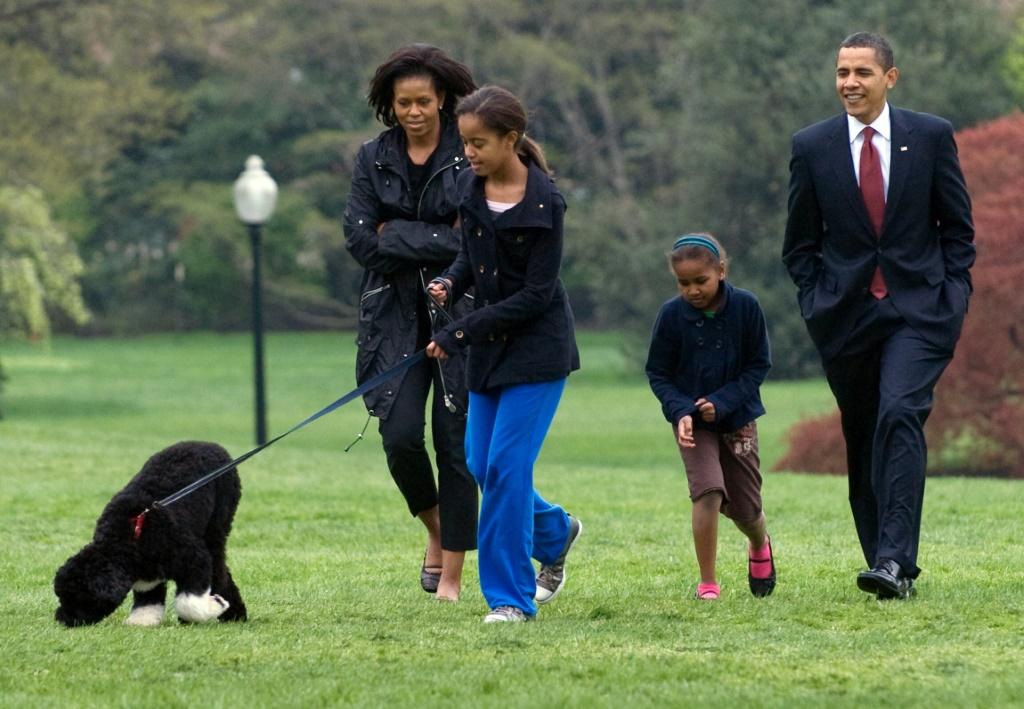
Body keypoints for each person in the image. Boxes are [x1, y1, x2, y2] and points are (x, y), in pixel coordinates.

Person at [783, 32, 974, 599]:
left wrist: (953, 295)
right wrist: (817, 302)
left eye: (862, 72)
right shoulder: (812, 147)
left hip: (920, 312)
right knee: (864, 435)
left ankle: (894, 561)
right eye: (842, 72)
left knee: (899, 414)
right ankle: (883, 564)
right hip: (845, 317)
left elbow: (957, 231)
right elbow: (799, 245)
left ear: (890, 78)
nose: (849, 83)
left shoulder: (931, 136)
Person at [425, 85, 582, 623]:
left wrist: (458, 334)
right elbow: (470, 255)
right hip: (488, 347)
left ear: (511, 139)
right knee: (480, 465)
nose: (469, 152)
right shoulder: (471, 188)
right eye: (465, 142)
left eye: (479, 143)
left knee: (509, 469)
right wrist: (450, 281)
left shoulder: (545, 203)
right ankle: (556, 532)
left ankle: (510, 600)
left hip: (538, 351)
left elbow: (536, 295)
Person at [343, 44, 479, 601]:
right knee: (399, 436)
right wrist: (432, 237)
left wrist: (394, 233)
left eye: (423, 100)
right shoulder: (372, 157)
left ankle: (451, 577)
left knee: (456, 446)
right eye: (404, 102)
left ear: (443, 99)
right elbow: (358, 239)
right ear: (390, 104)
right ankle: (435, 527)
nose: (414, 111)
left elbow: (471, 236)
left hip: (461, 315)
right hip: (391, 318)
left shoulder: (468, 152)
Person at [646, 234, 777, 601]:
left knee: (746, 509)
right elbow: (658, 372)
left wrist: (722, 401)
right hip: (691, 424)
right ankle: (708, 583)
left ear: (720, 270)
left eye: (700, 281)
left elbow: (758, 365)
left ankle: (758, 542)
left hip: (738, 419)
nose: (692, 291)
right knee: (708, 491)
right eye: (683, 283)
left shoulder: (746, 307)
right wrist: (681, 410)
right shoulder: (671, 316)